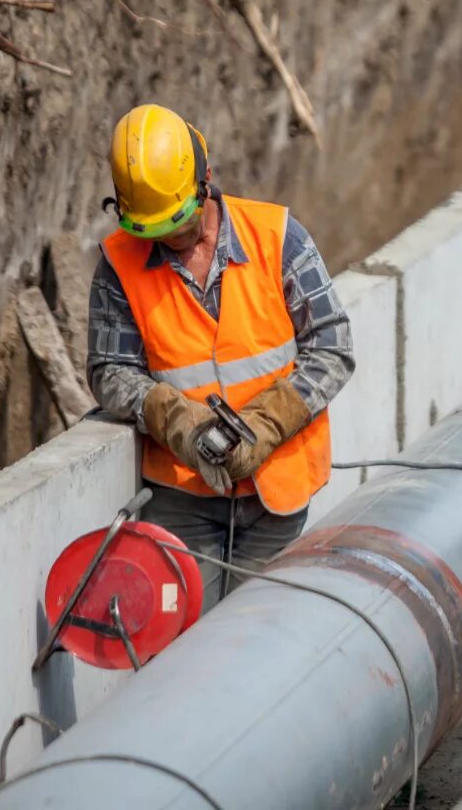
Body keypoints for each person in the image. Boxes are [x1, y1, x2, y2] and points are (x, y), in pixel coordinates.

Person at [86, 103, 354, 608]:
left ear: (205, 180)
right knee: (186, 648)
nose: (170, 239)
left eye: (180, 222)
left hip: (277, 494)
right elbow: (109, 369)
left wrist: (267, 423)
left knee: (260, 637)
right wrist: (172, 417)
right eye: (153, 230)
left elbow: (332, 345)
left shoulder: (277, 237)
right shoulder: (118, 267)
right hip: (182, 501)